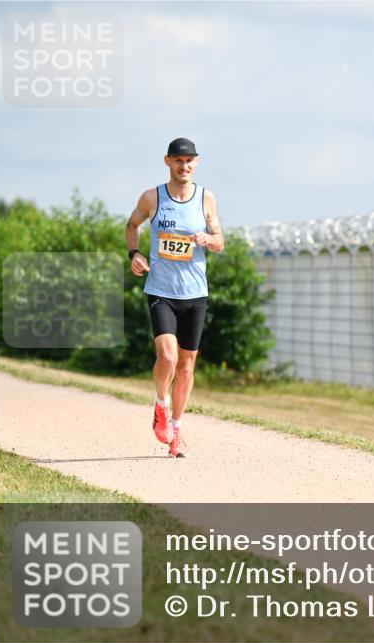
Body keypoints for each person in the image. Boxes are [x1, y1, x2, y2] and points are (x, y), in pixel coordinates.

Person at [125, 137, 224, 458]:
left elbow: (220, 241)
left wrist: (208, 239)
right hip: (161, 291)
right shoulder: (152, 197)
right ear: (168, 161)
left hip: (195, 294)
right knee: (167, 358)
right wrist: (134, 254)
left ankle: (177, 432)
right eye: (179, 161)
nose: (185, 166)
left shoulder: (206, 198)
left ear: (197, 163)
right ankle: (160, 406)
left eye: (190, 161)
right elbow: (132, 225)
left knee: (186, 367)